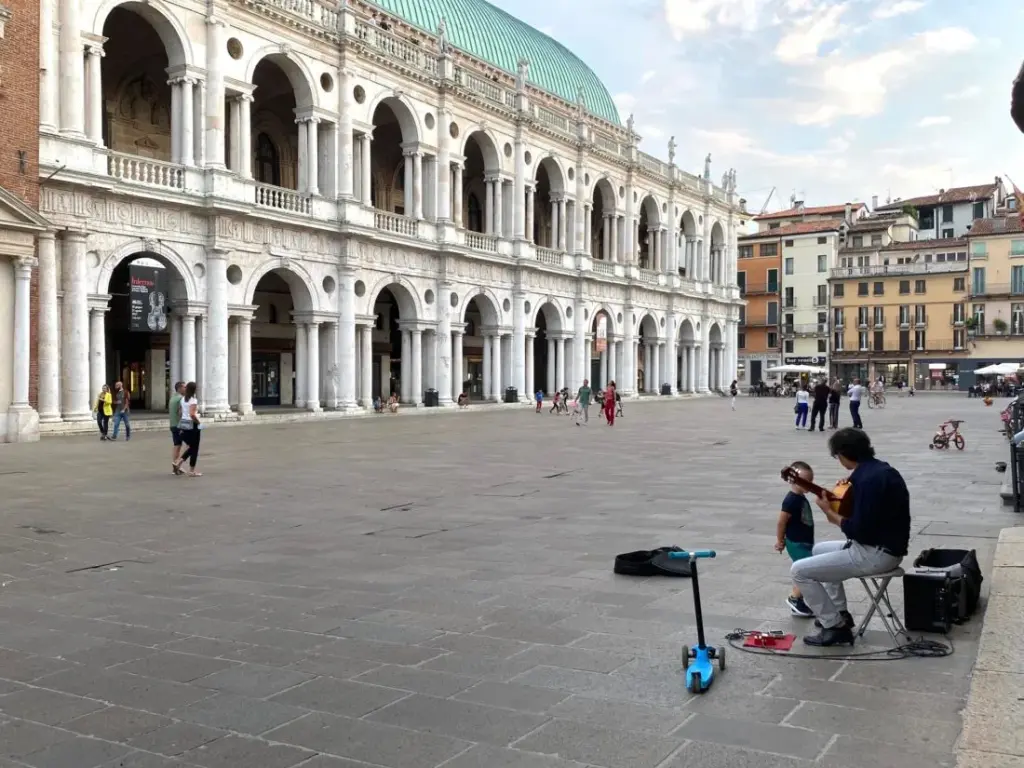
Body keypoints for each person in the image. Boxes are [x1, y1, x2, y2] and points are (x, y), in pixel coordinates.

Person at [791, 428, 910, 646]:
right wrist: (843, 500)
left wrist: (829, 512)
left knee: (799, 571)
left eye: (836, 456)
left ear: (843, 454)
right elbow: (870, 515)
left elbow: (857, 530)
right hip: (885, 546)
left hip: (876, 553)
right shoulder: (879, 470)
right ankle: (839, 612)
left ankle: (834, 626)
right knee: (819, 550)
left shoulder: (866, 480)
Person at [775, 461, 815, 617]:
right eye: (805, 481)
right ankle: (794, 599)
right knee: (807, 571)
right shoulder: (791, 500)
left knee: (804, 569)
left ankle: (798, 601)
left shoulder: (800, 497)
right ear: (792, 480)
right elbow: (781, 522)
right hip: (797, 543)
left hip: (804, 542)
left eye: (810, 481)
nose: (809, 485)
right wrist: (780, 540)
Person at [173, 381, 203, 477]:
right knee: (195, 447)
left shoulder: (183, 400)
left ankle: (180, 463)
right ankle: (190, 469)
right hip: (192, 425)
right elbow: (192, 414)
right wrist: (199, 423)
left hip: (183, 423)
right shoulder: (193, 400)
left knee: (192, 447)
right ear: (194, 390)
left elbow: (180, 412)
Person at [168, 381, 185, 474]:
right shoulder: (181, 399)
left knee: (177, 445)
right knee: (190, 445)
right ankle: (177, 463)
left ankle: (176, 465)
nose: (185, 389)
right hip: (180, 425)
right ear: (179, 388)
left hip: (173, 425)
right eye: (184, 387)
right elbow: (181, 413)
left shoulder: (172, 398)